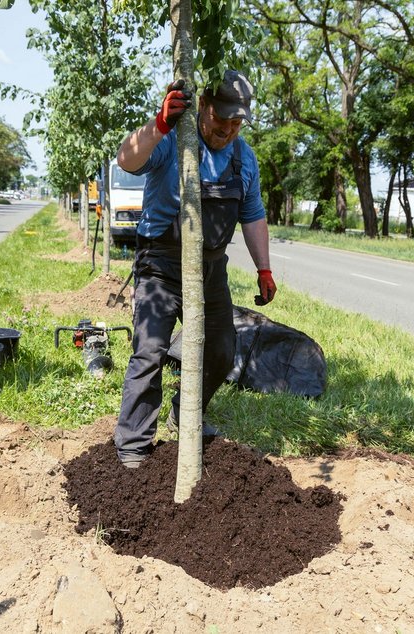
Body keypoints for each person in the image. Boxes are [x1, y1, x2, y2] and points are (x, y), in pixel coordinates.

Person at [113, 70, 277, 467]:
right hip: (161, 262)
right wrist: (158, 125)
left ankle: (186, 412)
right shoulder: (175, 141)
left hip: (210, 269)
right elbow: (126, 158)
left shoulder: (244, 158)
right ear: (203, 107)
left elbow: (252, 214)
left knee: (222, 351)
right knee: (150, 350)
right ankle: (133, 445)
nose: (227, 129)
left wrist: (264, 269)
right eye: (221, 119)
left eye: (237, 122)